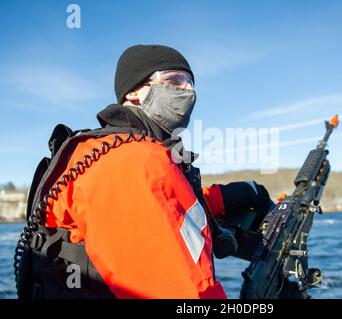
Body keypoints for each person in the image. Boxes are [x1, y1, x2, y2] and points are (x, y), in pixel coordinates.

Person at [15, 45, 273, 299]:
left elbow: (167, 206)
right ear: (135, 92)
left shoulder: (123, 153)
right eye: (175, 80)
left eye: (191, 83)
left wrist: (242, 193)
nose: (189, 92)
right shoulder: (133, 162)